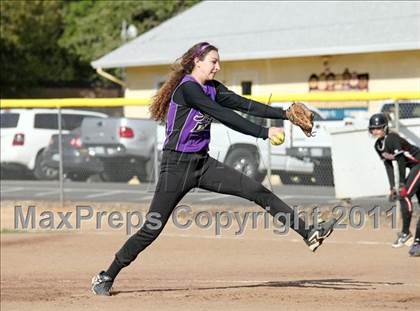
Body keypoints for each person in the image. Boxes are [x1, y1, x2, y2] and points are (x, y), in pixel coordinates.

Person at [91, 42, 337, 296]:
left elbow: (244, 105)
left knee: (256, 191)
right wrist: (264, 132)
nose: (218, 67)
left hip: (202, 164)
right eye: (213, 61)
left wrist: (284, 114)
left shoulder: (212, 89)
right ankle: (106, 275)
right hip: (175, 167)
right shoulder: (188, 89)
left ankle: (308, 232)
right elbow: (224, 115)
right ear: (197, 61)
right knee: (151, 228)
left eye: (218, 62)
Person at [368, 113, 420, 254]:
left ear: (385, 127)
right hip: (414, 167)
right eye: (373, 128)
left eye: (378, 128)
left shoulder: (392, 139)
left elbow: (402, 161)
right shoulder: (378, 146)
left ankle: (405, 232)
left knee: (405, 195)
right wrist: (392, 187)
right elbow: (389, 166)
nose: (375, 131)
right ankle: (417, 243)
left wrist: (402, 184)